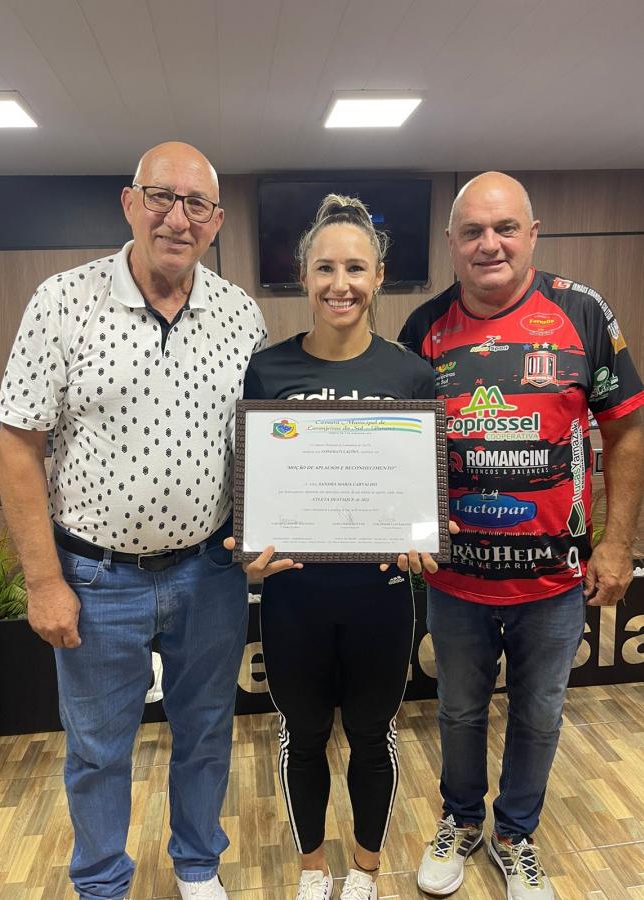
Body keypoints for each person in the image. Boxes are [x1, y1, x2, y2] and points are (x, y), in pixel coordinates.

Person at [0, 142, 267, 900]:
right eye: (161, 197)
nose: (177, 218)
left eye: (197, 204)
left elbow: (258, 444)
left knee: (206, 734)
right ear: (129, 203)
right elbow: (18, 446)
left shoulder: (240, 314)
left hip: (209, 573)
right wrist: (42, 581)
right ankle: (101, 883)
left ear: (216, 221)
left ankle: (197, 868)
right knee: (97, 750)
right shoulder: (62, 301)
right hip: (94, 577)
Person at [398, 171, 644, 899]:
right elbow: (401, 444)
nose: (490, 244)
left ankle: (515, 834)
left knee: (538, 716)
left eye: (504, 228)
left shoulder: (582, 312)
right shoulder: (423, 328)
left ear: (531, 234)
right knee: (458, 711)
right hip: (455, 579)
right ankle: (460, 820)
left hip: (553, 580)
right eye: (472, 231)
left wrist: (616, 543)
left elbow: (626, 433)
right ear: (450, 243)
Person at [227, 194, 442, 900]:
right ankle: (314, 869)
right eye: (325, 268)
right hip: (293, 596)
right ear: (303, 276)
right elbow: (252, 485)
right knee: (304, 735)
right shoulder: (267, 371)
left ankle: (365, 871)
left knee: (376, 737)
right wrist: (250, 548)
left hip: (382, 596)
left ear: (378, 276)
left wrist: (422, 541)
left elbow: (421, 494)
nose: (339, 283)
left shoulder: (410, 376)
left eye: (355, 268)